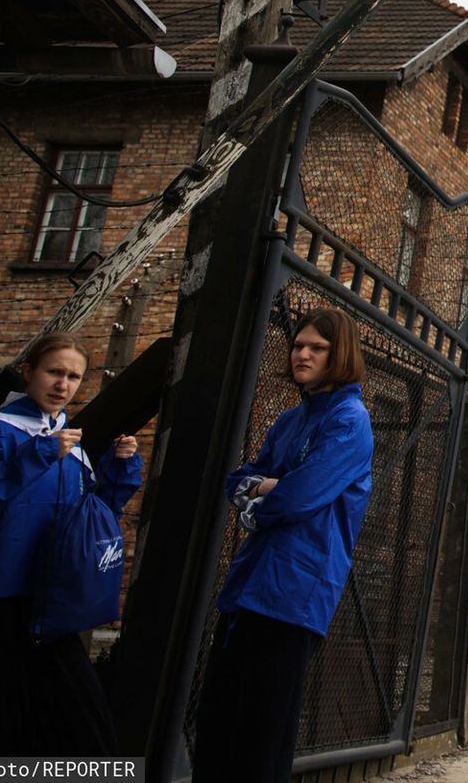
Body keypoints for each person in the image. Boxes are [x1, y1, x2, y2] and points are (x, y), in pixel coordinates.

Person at [194, 307, 374, 783]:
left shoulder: (350, 421)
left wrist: (265, 491)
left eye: (317, 347)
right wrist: (263, 486)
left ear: (341, 355)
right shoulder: (292, 419)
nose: (302, 354)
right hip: (250, 583)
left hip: (295, 591)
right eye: (298, 345)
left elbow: (300, 496)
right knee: (218, 721)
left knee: (261, 733)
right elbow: (237, 479)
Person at [0, 332, 141, 755]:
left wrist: (119, 470)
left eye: (74, 376)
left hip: (50, 603)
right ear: (29, 373)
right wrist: (35, 456)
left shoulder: (73, 448)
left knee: (79, 725)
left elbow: (90, 519)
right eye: (54, 372)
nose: (63, 385)